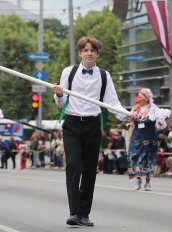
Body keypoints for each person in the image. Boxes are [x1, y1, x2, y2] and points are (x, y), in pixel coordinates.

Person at [52, 36, 132, 227]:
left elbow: (112, 103)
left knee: (89, 170)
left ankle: (84, 213)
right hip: (71, 124)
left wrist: (127, 115)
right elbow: (61, 104)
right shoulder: (68, 72)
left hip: (93, 125)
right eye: (85, 50)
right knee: (73, 164)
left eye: (92, 50)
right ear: (80, 52)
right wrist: (59, 94)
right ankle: (73, 213)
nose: (89, 53)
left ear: (97, 53)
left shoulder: (104, 76)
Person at [128, 88, 170, 191]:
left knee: (149, 159)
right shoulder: (135, 108)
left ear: (146, 99)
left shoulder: (154, 109)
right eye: (139, 97)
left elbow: (161, 125)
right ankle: (138, 179)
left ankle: (147, 182)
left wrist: (160, 122)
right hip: (137, 137)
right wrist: (131, 118)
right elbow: (128, 121)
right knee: (136, 157)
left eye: (141, 97)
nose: (139, 99)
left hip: (149, 138)